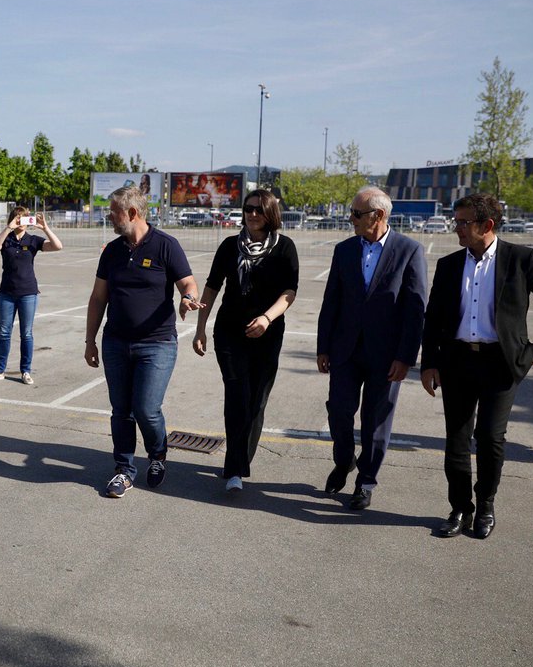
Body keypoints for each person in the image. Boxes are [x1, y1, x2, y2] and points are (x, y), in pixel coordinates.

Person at [420, 193, 533, 539]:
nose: (456, 228)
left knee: (490, 438)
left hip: (500, 364)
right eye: (456, 221)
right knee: (457, 440)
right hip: (457, 361)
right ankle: (460, 508)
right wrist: (429, 363)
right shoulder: (448, 265)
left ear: (487, 224)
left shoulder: (521, 259)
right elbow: (434, 319)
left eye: (463, 222)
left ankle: (486, 505)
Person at [85, 185, 205, 498]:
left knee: (146, 409)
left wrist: (188, 298)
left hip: (157, 344)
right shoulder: (112, 251)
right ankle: (124, 470)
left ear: (132, 213)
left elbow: (188, 282)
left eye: (113, 212)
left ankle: (157, 455)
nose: (109, 216)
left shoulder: (166, 245)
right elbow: (98, 298)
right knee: (121, 410)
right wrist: (90, 340)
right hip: (115, 343)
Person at [316, 186, 428, 510]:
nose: (350, 218)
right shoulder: (344, 250)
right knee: (339, 411)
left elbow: (416, 309)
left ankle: (365, 482)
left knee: (376, 422)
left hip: (387, 355)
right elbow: (331, 301)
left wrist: (406, 357)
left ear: (378, 215)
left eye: (356, 213)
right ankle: (343, 461)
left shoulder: (409, 251)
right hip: (345, 350)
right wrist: (324, 347)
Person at [193, 189, 298, 491]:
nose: (252, 214)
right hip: (229, 333)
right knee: (237, 396)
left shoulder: (284, 247)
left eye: (259, 210)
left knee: (256, 401)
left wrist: (267, 318)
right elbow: (212, 287)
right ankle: (235, 469)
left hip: (268, 334)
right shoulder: (230, 246)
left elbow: (289, 292)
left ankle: (240, 459)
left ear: (270, 213)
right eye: (248, 208)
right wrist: (200, 329)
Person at [0, 207, 63, 385]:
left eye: (25, 218)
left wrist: (45, 228)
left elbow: (58, 246)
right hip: (7, 293)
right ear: (12, 219)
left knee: (26, 334)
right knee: (4, 333)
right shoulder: (7, 239)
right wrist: (9, 228)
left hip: (28, 293)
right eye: (18, 218)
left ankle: (26, 371)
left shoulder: (33, 240)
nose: (21, 222)